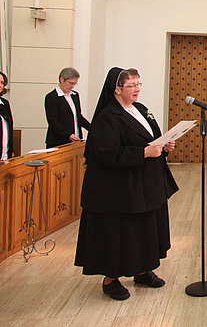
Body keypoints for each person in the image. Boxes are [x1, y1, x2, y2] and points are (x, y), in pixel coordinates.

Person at [74, 67, 178, 301]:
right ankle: (111, 280)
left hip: (146, 184)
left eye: (138, 84)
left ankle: (142, 270)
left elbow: (151, 139)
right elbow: (107, 153)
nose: (137, 89)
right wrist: (143, 153)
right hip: (121, 189)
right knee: (122, 233)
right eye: (131, 85)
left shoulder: (140, 109)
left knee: (144, 229)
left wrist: (164, 147)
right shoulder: (107, 117)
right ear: (117, 90)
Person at [44, 67, 91, 148]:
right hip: (58, 142)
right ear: (61, 79)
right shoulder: (52, 97)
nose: (73, 86)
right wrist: (69, 134)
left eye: (75, 83)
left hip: (76, 140)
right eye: (71, 83)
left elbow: (78, 117)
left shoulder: (75, 95)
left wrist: (92, 129)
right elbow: (53, 121)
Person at [0, 72, 13, 160]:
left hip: (5, 156)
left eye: (2, 83)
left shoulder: (5, 104)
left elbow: (9, 129)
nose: (0, 85)